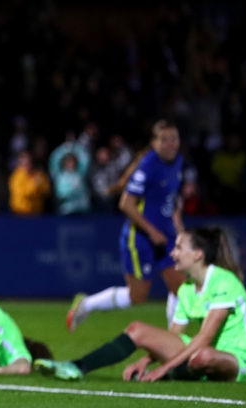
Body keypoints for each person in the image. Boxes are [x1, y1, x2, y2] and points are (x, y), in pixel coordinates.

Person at [36, 227, 246, 383]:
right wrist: (145, 360)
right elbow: (173, 336)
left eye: (178, 248)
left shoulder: (224, 282)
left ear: (197, 255)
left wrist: (163, 368)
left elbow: (205, 337)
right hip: (200, 352)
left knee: (202, 357)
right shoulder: (186, 289)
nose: (172, 253)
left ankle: (176, 373)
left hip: (239, 358)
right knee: (137, 329)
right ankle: (77, 366)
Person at [67, 120, 186, 331]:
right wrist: (152, 232)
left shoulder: (177, 162)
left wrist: (180, 230)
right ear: (154, 143)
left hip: (165, 236)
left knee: (181, 288)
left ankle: (173, 338)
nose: (171, 144)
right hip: (140, 237)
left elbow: (172, 200)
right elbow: (126, 204)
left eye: (174, 139)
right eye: (165, 140)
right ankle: (86, 305)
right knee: (137, 296)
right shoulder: (148, 166)